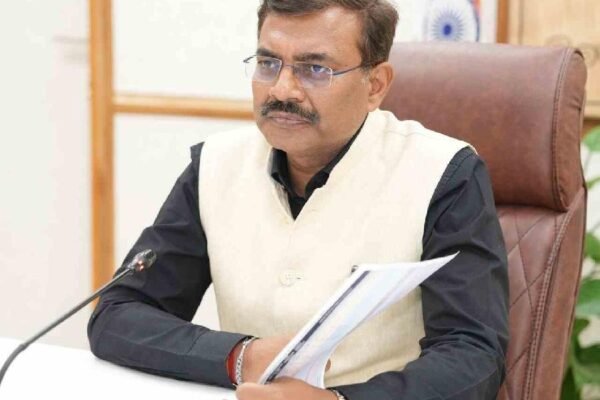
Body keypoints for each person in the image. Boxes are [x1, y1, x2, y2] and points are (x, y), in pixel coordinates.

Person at [88, 1, 509, 399]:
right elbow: (118, 313)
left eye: (315, 69)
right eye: (268, 63)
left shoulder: (444, 174)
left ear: (375, 85)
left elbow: (472, 354)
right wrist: (240, 357)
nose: (283, 90)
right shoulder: (217, 164)